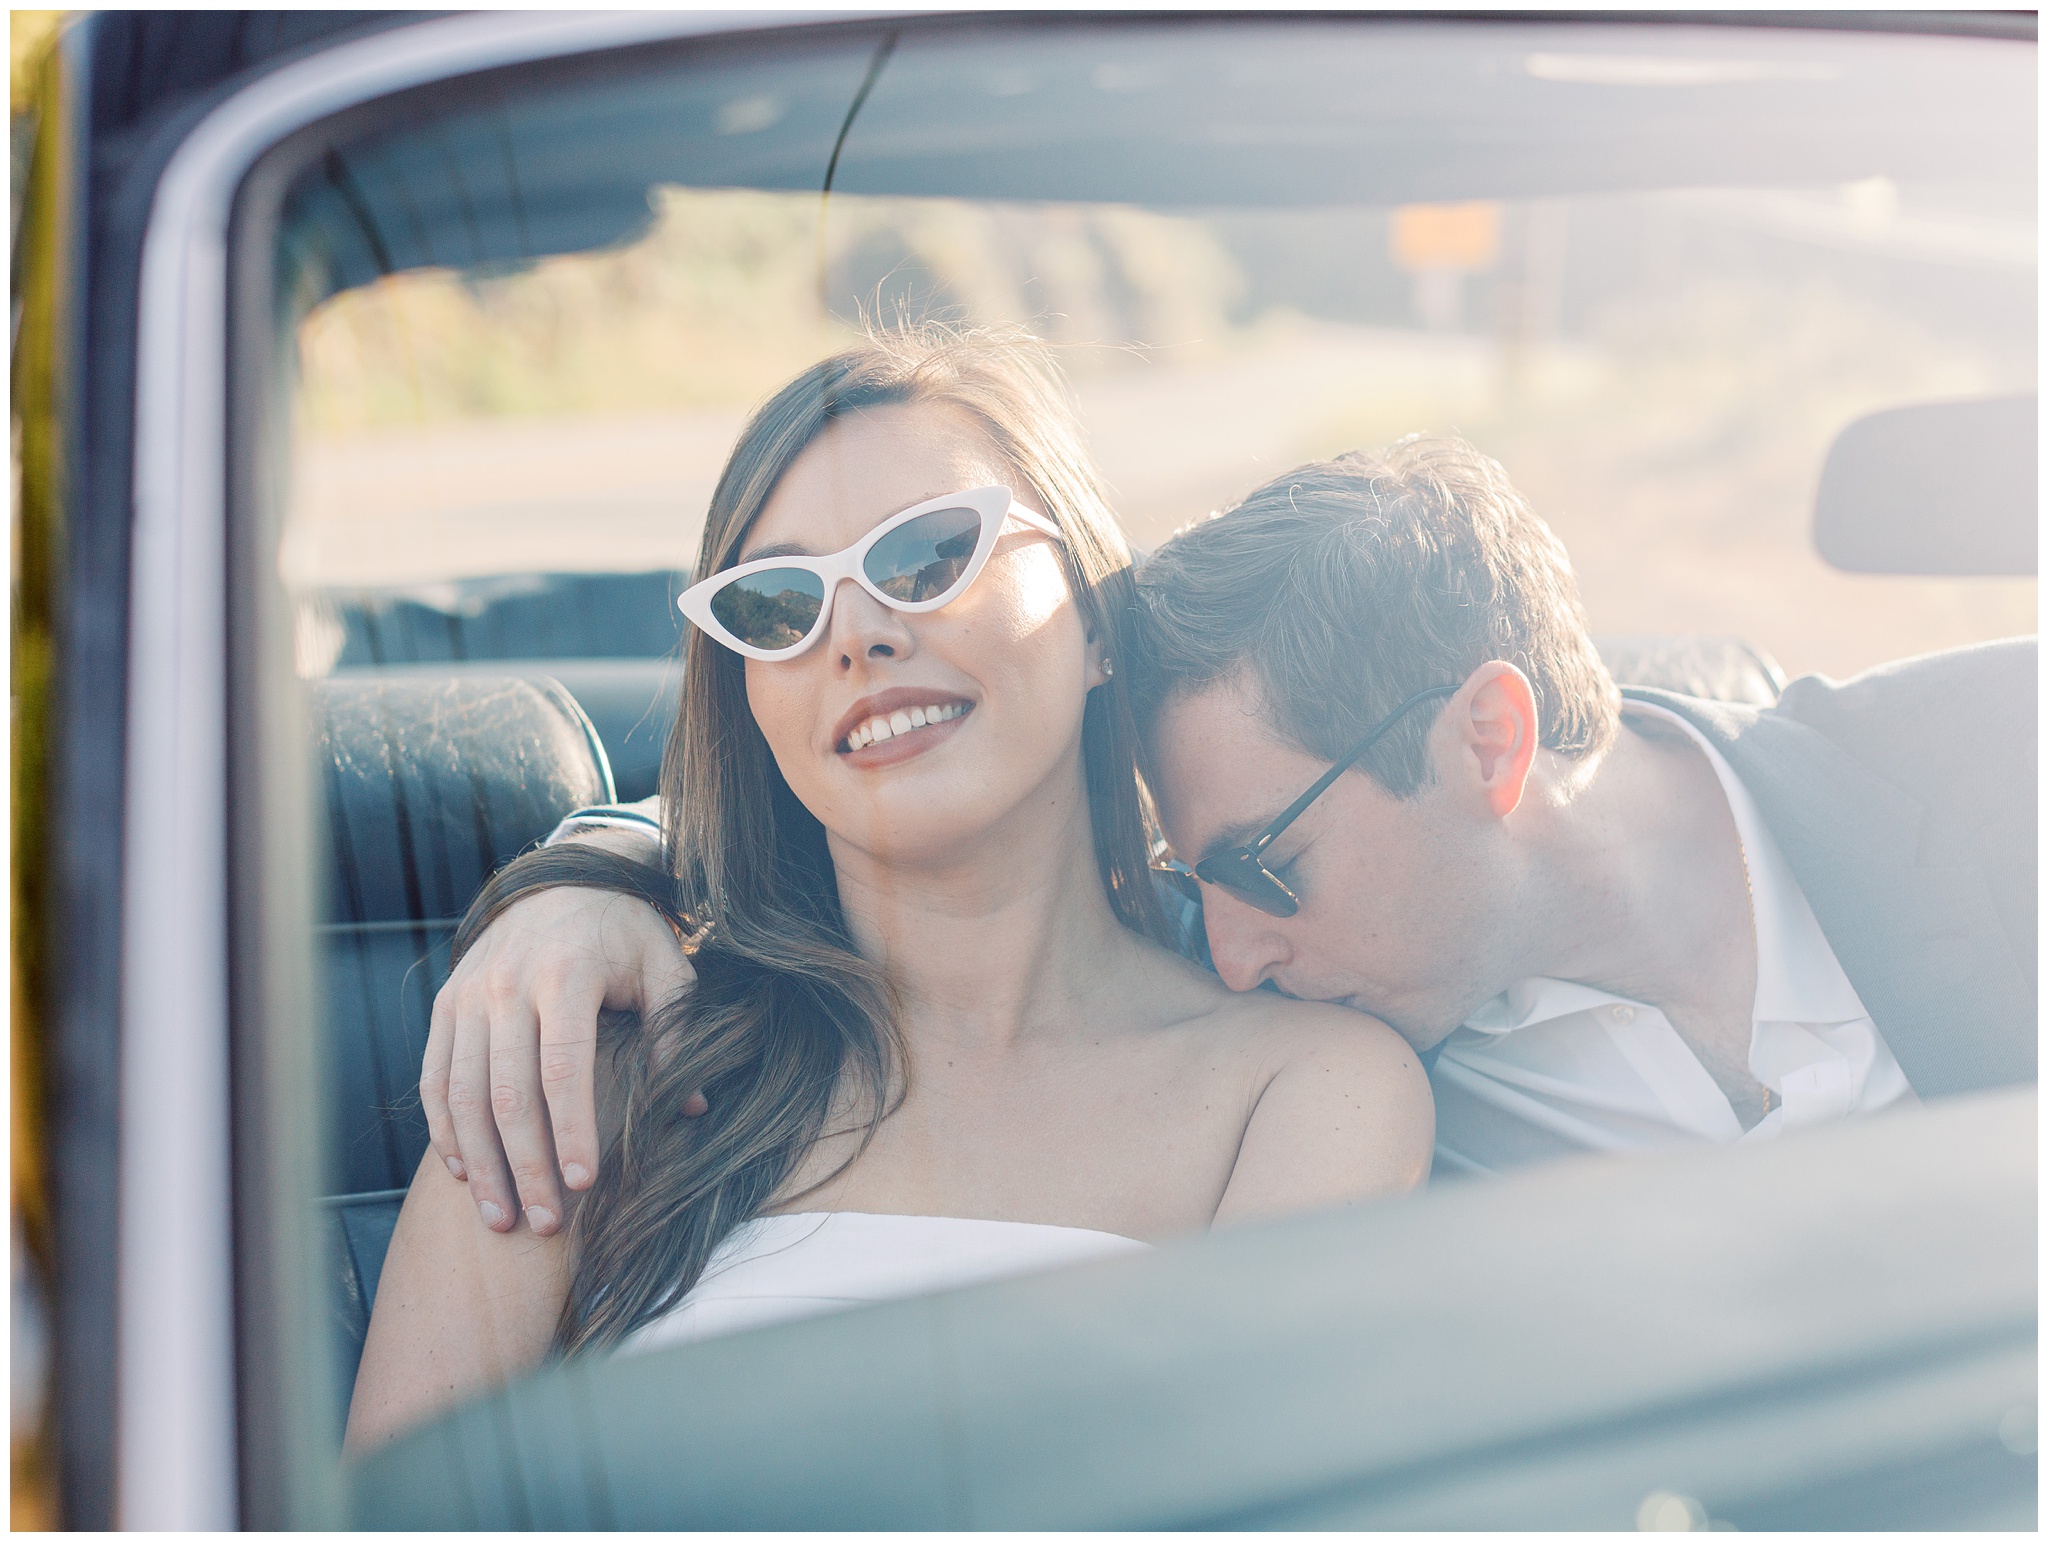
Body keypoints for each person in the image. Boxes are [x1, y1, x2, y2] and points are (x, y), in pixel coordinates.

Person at [427, 429, 2032, 1196]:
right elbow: (889, 804)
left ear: (1489, 737)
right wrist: (591, 874)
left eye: (1268, 863)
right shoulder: (1324, 1043)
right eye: (1207, 877)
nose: (1236, 947)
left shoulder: (1999, 768)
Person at [346, 331, 1432, 1451]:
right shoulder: (584, 1062)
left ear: (1097, 619)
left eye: (927, 556)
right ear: (750, 703)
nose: (855, 636)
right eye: (774, 607)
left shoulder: (1303, 1089)